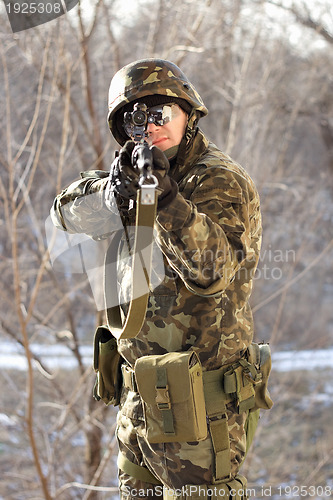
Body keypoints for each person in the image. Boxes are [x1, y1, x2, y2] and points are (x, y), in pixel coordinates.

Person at [51, 59, 267, 500]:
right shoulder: (127, 178)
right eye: (136, 117)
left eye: (161, 113)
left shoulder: (218, 179)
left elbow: (211, 272)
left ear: (188, 114)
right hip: (138, 402)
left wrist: (165, 198)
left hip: (201, 411)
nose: (150, 126)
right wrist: (115, 194)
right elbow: (63, 213)